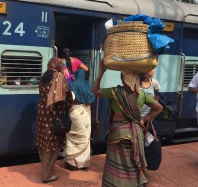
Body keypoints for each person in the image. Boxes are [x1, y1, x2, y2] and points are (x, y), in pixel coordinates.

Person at [92, 59, 162, 187]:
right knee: (133, 165)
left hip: (119, 134)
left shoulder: (115, 92)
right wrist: (144, 119)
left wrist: (102, 71)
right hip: (136, 134)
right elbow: (159, 108)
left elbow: (95, 90)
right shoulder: (142, 95)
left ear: (123, 78)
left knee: (117, 165)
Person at [36, 57, 73, 183]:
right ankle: (47, 175)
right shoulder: (59, 77)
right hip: (54, 116)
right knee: (53, 145)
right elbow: (64, 97)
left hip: (43, 115)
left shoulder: (44, 77)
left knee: (43, 144)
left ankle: (46, 170)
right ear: (58, 66)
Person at [64, 69, 95, 170]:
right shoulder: (88, 86)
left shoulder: (72, 86)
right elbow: (92, 98)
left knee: (72, 138)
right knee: (84, 139)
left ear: (76, 76)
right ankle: (83, 164)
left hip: (74, 113)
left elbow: (69, 101)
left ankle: (72, 164)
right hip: (85, 115)